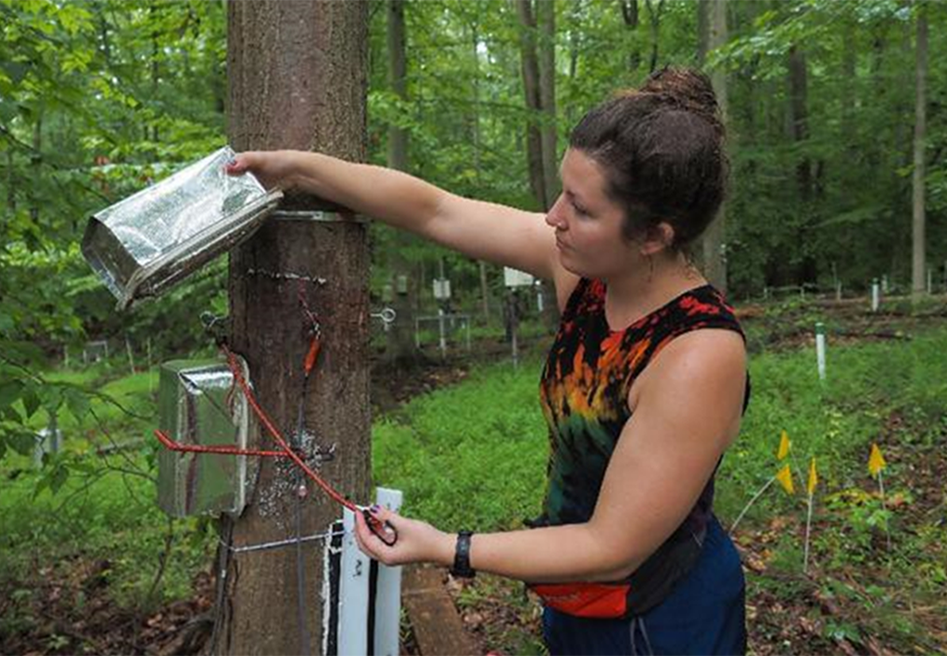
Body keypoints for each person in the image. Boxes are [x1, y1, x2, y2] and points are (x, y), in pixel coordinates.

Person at [226, 66, 749, 655]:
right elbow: (436, 212)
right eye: (561, 192)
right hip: (574, 595)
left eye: (580, 208)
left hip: (661, 618)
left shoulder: (697, 354)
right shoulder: (585, 273)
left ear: (654, 236)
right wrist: (296, 168)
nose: (553, 216)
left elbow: (613, 545)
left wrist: (448, 546)